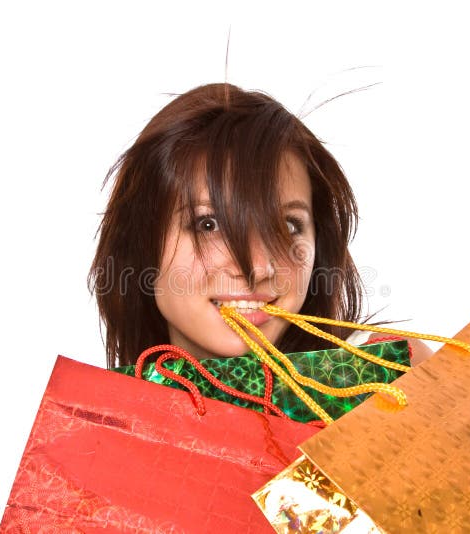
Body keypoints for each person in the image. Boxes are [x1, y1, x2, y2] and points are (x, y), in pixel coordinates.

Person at [88, 83, 431, 369]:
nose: (257, 266)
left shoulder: (383, 375)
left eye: (288, 225)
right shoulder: (98, 428)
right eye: (208, 224)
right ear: (141, 243)